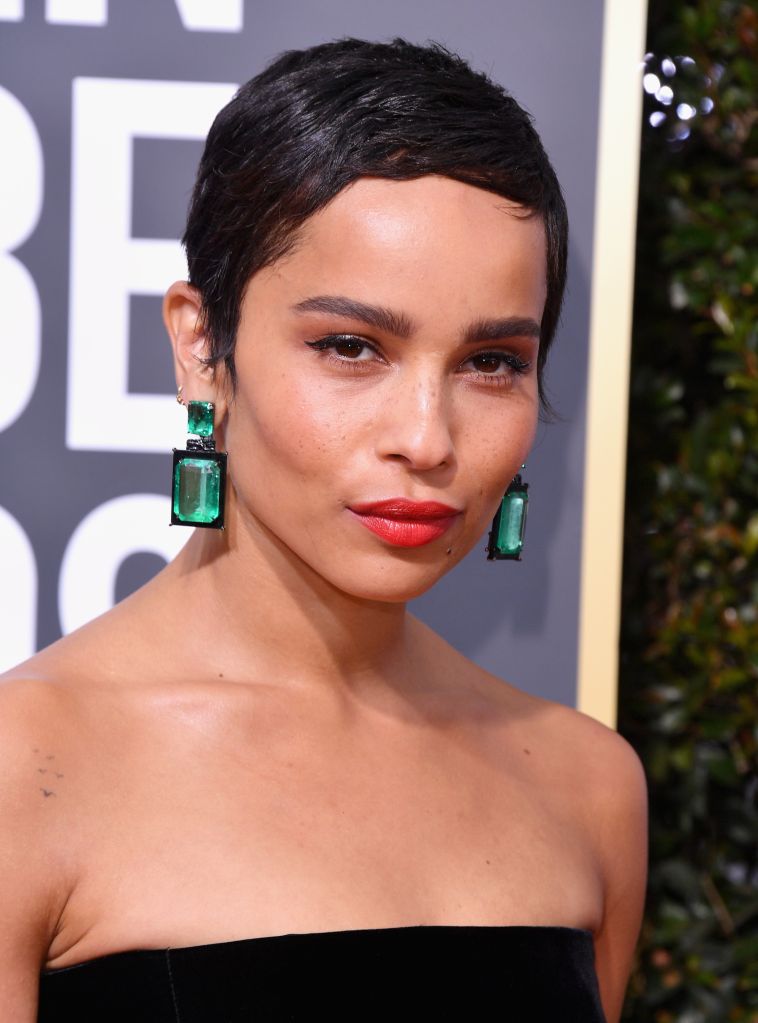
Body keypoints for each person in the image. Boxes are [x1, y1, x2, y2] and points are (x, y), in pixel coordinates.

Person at [0, 37, 647, 1023]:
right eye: (350, 347)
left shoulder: (585, 785)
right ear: (200, 347)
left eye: (490, 363)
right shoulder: (25, 768)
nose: (426, 439)